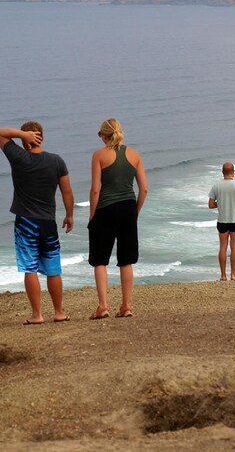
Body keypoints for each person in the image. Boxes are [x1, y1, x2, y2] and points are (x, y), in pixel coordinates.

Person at [0, 121, 74, 325]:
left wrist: (22, 134)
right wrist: (69, 215)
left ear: (24, 139)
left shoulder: (19, 157)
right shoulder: (56, 161)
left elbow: (0, 133)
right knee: (53, 267)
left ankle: (37, 315)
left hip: (25, 221)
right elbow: (66, 191)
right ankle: (58, 312)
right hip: (48, 221)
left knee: (30, 268)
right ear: (43, 137)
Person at [88, 118, 148, 319]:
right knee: (126, 259)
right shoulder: (134, 154)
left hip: (106, 208)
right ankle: (126, 306)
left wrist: (92, 215)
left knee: (99, 260)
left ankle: (103, 306)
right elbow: (144, 189)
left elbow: (96, 189)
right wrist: (135, 211)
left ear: (104, 135)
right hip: (129, 207)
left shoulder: (99, 155)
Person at [208, 162, 235, 281]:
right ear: (233, 172)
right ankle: (233, 275)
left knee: (223, 247)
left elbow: (211, 204)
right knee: (234, 247)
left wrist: (221, 202)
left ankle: (223, 276)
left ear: (222, 172)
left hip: (222, 220)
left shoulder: (216, 186)